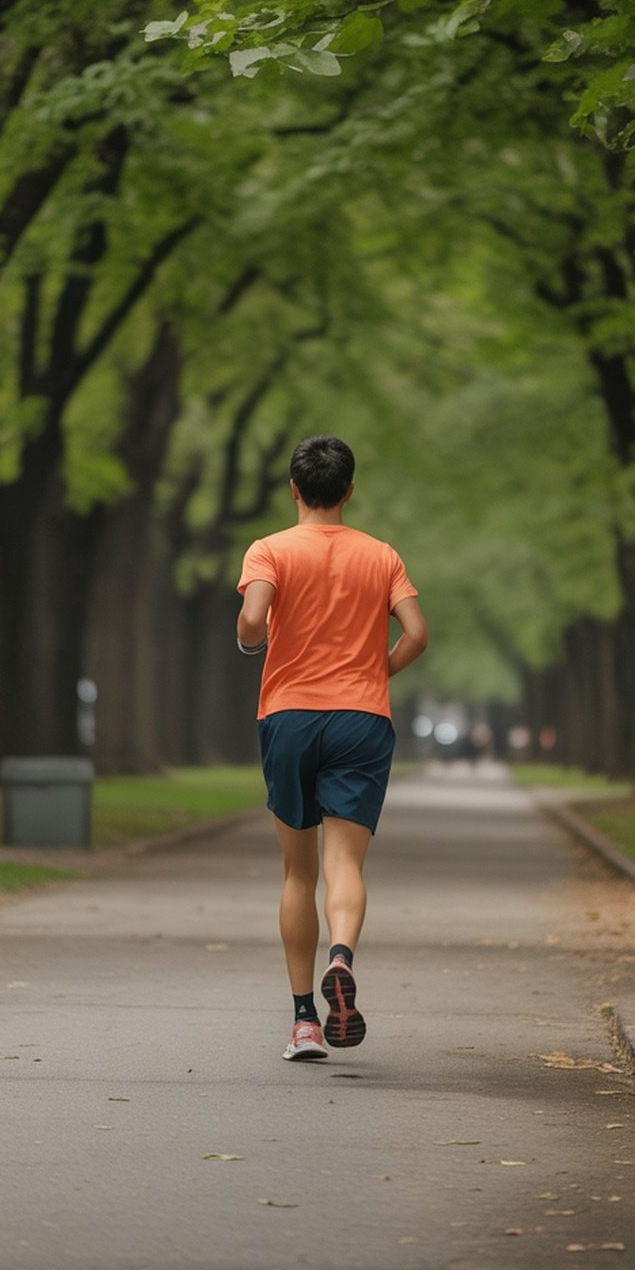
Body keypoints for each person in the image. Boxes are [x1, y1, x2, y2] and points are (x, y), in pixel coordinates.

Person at [236, 434, 429, 1062]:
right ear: (348, 491)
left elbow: (251, 621)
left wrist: (253, 637)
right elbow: (418, 634)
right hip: (362, 719)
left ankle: (302, 1023)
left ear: (295, 489)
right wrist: (379, 672)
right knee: (346, 865)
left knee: (298, 871)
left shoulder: (269, 550)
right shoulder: (382, 556)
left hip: (289, 716)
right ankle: (340, 956)